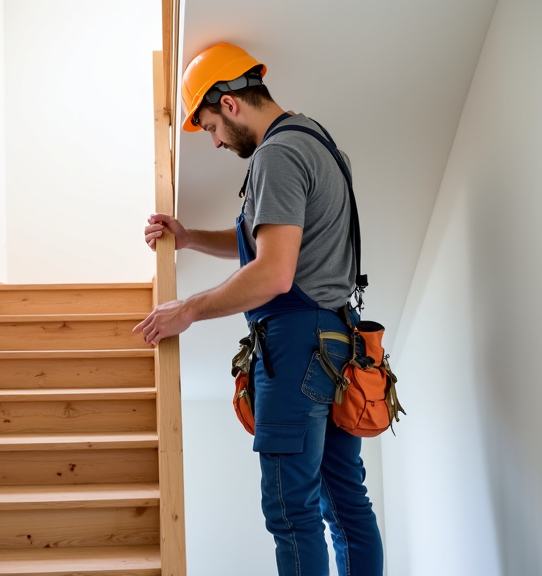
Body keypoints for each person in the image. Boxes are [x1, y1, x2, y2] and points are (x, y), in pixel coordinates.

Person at [133, 42, 384, 576]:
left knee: (292, 511)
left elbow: (274, 273)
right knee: (345, 505)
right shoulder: (316, 141)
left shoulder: (276, 154)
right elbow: (271, 239)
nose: (216, 142)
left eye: (209, 128)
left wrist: (190, 309)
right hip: (338, 342)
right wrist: (190, 238)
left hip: (296, 348)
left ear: (228, 104)